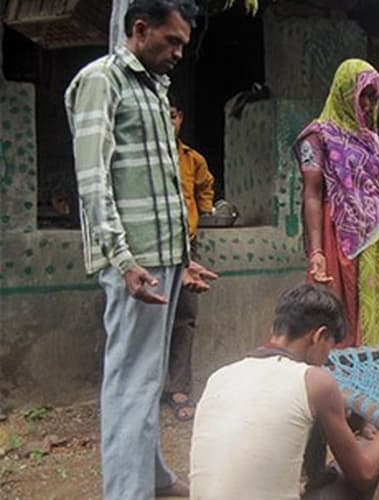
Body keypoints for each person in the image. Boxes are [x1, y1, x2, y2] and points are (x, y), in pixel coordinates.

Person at [64, 1, 215, 497]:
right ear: (140, 29)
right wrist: (123, 261)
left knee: (146, 379)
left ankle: (151, 475)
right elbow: (93, 180)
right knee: (130, 382)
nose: (178, 53)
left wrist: (181, 255)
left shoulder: (153, 88)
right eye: (171, 41)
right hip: (134, 261)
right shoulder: (101, 81)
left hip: (163, 257)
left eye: (183, 45)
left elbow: (162, 183)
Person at [190, 283, 379, 500]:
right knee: (364, 450)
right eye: (330, 347)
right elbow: (364, 474)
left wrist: (355, 419)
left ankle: (311, 482)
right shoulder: (314, 380)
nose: (327, 358)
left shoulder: (221, 375)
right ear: (319, 336)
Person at [296, 59, 379, 347]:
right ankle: (333, 385)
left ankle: (366, 377)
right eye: (363, 95)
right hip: (339, 235)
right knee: (333, 312)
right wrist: (316, 250)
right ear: (345, 91)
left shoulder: (372, 140)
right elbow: (312, 194)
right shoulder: (316, 136)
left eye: (374, 97)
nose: (369, 104)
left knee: (374, 313)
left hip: (377, 237)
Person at [161, 95, 216, 421]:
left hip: (186, 250)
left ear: (180, 118)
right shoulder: (147, 156)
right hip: (148, 250)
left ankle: (179, 388)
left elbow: (206, 186)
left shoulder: (191, 159)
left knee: (184, 319)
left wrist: (205, 211)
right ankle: (148, 388)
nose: (168, 122)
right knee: (149, 319)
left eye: (172, 116)